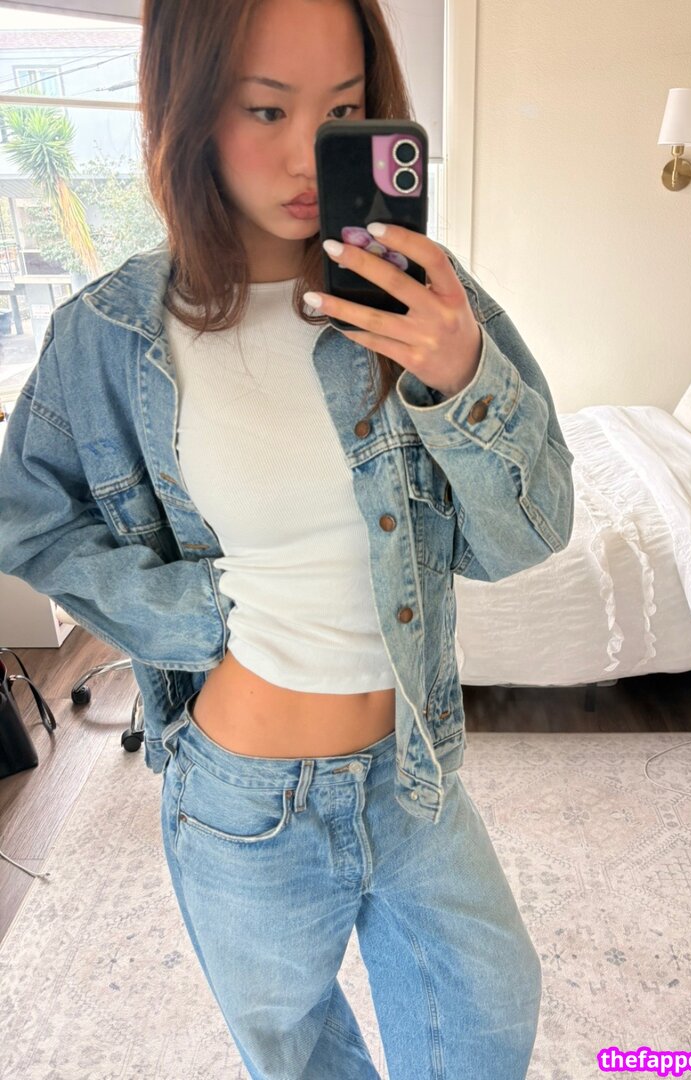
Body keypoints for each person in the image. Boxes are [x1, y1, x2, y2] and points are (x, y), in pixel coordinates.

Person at [0, 0, 576, 1076]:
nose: (312, 154)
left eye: (346, 114)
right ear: (187, 112)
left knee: (488, 1023)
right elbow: (26, 516)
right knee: (298, 1055)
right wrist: (187, 613)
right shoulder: (112, 333)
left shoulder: (428, 304)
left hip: (414, 774)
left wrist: (462, 379)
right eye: (266, 109)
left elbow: (524, 537)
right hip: (241, 800)